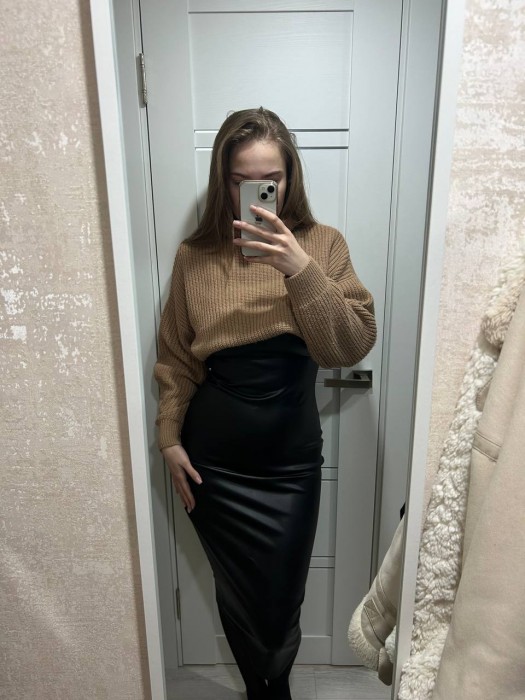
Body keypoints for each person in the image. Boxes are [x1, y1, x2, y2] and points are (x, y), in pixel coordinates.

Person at [154, 107, 376, 700]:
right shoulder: (195, 256)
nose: (255, 192)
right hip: (213, 463)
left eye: (269, 179)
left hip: (289, 463)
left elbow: (349, 345)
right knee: (237, 592)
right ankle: (268, 695)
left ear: (289, 177)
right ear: (222, 179)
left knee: (279, 601)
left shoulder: (322, 245)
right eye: (240, 180)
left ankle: (271, 686)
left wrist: (299, 268)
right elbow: (176, 358)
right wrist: (168, 437)